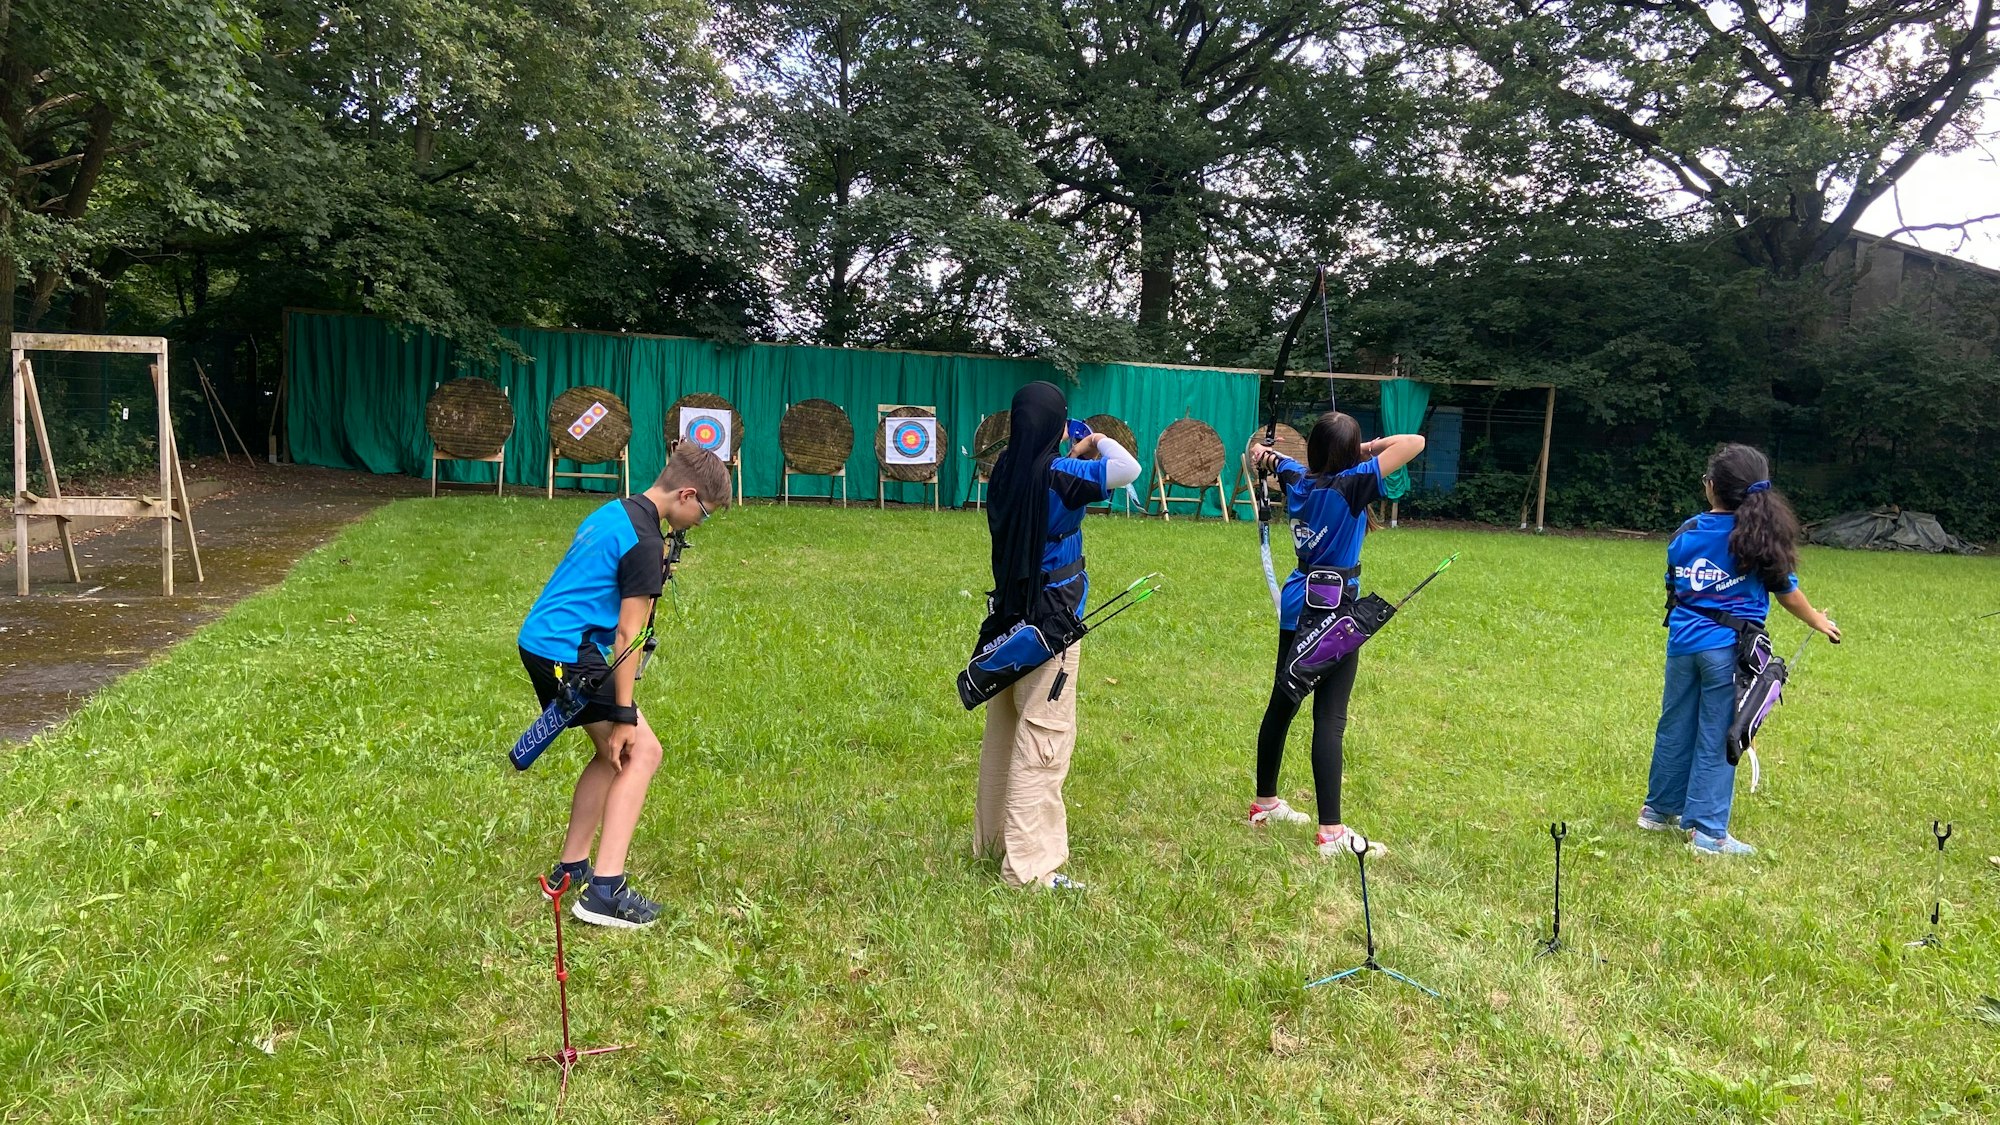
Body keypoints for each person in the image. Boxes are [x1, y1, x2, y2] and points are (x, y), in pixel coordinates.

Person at [517, 443, 731, 927]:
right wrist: (623, 715)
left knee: (610, 755)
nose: (701, 523)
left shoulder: (615, 512)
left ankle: (571, 869)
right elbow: (628, 634)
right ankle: (604, 893)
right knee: (641, 750)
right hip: (569, 654)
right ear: (687, 493)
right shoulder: (645, 543)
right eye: (705, 513)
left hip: (542, 642)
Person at [972, 382, 1140, 889]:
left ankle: (993, 842)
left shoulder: (1004, 472)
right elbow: (1128, 469)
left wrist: (1070, 451)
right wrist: (1093, 441)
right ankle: (1030, 868)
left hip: (1008, 620)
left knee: (1005, 733)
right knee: (1043, 740)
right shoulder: (1062, 474)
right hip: (1051, 626)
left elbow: (1041, 483)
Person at [1642, 443, 1838, 856]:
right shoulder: (1756, 539)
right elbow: (1787, 592)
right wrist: (1817, 621)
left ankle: (1658, 811)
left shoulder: (1687, 532)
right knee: (1717, 735)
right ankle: (1708, 833)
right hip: (1728, 653)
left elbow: (1675, 582)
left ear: (1711, 488)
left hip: (1682, 646)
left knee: (1674, 725)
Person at [1247, 414, 1425, 857]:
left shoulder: (1298, 478)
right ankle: (1331, 833)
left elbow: (1267, 457)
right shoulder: (1353, 483)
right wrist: (1367, 449)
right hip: (1336, 613)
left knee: (1282, 703)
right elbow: (1414, 441)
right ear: (1349, 452)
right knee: (1330, 718)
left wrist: (1264, 456)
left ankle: (1265, 803)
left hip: (1297, 604)